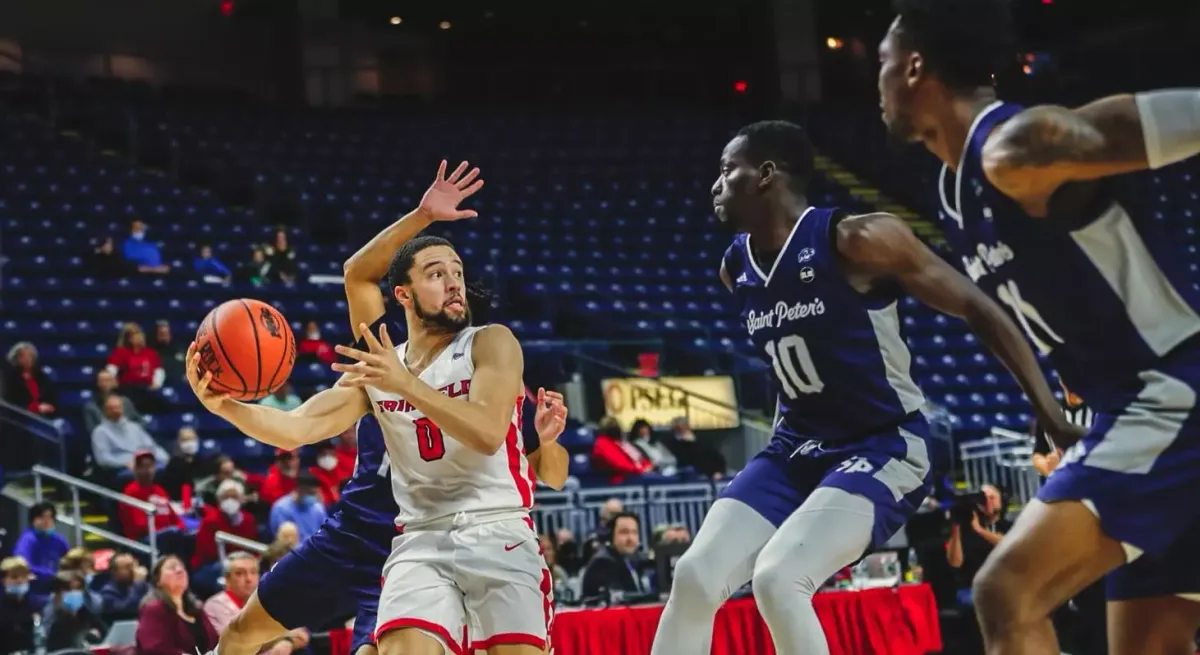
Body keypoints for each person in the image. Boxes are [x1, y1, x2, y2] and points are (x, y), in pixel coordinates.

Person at [650, 120, 1076, 655]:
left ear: (765, 175)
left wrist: (1047, 406)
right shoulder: (736, 267)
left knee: (779, 579)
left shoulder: (856, 240)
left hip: (884, 444)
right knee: (692, 576)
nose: (715, 184)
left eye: (726, 171)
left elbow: (976, 303)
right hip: (795, 447)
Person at [876, 2, 1200, 652]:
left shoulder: (1014, 149)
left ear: (913, 68)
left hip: (1173, 394)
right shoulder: (954, 188)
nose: (875, 79)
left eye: (882, 63)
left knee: (1006, 591)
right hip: (1129, 406)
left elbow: (1112, 127)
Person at [184, 162, 570, 655]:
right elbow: (296, 426)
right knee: (256, 634)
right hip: (404, 535)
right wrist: (225, 406)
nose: (454, 283)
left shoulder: (489, 345)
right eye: (437, 274)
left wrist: (546, 439)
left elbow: (495, 437)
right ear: (404, 294)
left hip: (495, 529)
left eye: (458, 273)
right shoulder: (381, 362)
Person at [135, 556, 219, 655]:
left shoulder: (197, 610)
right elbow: (153, 648)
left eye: (182, 567)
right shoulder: (154, 609)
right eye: (171, 567)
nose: (179, 570)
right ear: (157, 580)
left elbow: (216, 642)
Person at [13, 502, 70, 608]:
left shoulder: (59, 540)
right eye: (42, 517)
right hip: (35, 588)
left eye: (50, 517)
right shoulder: (27, 539)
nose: (46, 521)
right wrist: (49, 573)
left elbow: (71, 560)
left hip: (57, 587)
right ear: (33, 520)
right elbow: (21, 563)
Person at [580, 512, 647, 600]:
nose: (630, 538)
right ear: (611, 536)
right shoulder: (602, 563)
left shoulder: (637, 558)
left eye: (634, 532)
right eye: (624, 532)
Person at [42, 570, 107, 651]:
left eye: (78, 589)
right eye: (68, 589)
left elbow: (107, 639)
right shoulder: (53, 622)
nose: (74, 593)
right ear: (57, 594)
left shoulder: (89, 615)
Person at [267, 472, 328, 543]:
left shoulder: (317, 508)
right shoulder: (281, 509)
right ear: (299, 489)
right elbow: (285, 543)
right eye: (311, 493)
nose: (314, 497)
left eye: (316, 493)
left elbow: (325, 534)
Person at [98, 552, 150, 621]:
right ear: (114, 572)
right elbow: (129, 610)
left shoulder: (141, 585)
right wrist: (137, 582)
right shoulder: (107, 592)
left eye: (134, 566)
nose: (133, 570)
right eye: (127, 567)